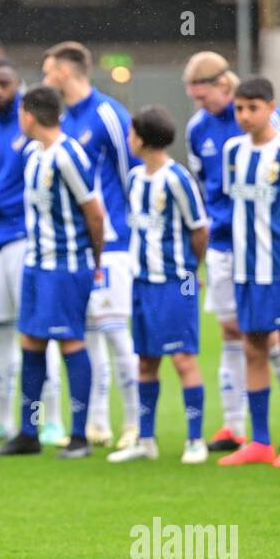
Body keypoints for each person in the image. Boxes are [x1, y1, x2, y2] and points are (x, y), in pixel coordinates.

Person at [0, 86, 105, 460]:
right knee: (31, 343)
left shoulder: (68, 155)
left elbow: (94, 212)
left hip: (66, 265)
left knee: (70, 341)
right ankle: (28, 431)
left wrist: (95, 259)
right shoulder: (34, 154)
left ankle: (80, 436)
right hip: (36, 264)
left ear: (28, 115)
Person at [183, 51, 280, 451]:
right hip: (222, 242)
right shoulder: (198, 129)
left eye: (202, 96)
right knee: (229, 330)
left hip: (262, 244)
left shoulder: (264, 123)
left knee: (266, 332)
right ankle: (232, 425)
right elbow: (201, 183)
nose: (199, 105)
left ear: (223, 85)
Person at [41, 40, 138, 450]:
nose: (45, 80)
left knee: (117, 335)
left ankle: (136, 423)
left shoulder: (108, 114)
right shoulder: (62, 119)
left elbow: (130, 172)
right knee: (88, 335)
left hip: (113, 242)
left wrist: (130, 233)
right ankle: (97, 422)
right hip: (79, 245)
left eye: (48, 72)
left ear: (64, 72)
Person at [218, 77, 280, 468]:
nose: (244, 116)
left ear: (270, 107)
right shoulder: (232, 152)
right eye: (239, 109)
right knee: (252, 348)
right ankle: (259, 441)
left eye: (252, 108)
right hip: (245, 270)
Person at [0, 60, 64, 444]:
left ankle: (51, 419)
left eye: (4, 84)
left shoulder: (33, 126)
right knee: (0, 329)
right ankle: (2, 418)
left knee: (37, 329)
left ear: (18, 85)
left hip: (28, 239)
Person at [109, 106, 209, 465]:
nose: (127, 138)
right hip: (142, 282)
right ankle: (145, 440)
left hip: (174, 281)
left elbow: (199, 229)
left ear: (143, 137)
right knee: (146, 362)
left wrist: (188, 269)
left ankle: (196, 440)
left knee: (183, 358)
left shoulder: (177, 179)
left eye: (131, 132)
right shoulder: (135, 179)